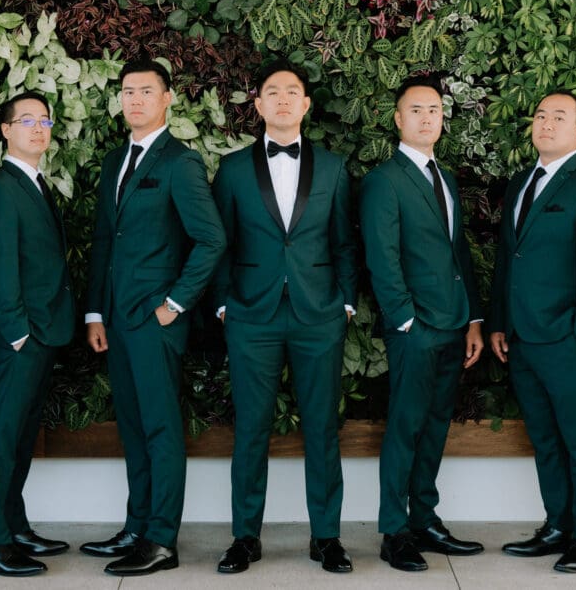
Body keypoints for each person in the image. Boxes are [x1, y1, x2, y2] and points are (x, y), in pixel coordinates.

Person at [80, 58, 226, 576]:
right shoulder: (114, 162)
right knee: (133, 426)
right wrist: (95, 311)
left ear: (167, 99)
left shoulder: (180, 162)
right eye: (127, 91)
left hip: (155, 319)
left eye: (146, 91)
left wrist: (175, 304)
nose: (135, 99)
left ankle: (161, 539)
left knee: (161, 428)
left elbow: (211, 239)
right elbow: (105, 240)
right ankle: (136, 527)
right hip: (117, 320)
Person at [211, 59, 357, 574]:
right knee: (251, 428)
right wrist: (224, 303)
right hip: (251, 315)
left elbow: (344, 242)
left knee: (322, 428)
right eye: (272, 92)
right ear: (257, 104)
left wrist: (345, 302)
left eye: (292, 92)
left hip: (319, 314)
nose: (282, 99)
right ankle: (245, 537)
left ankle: (327, 537)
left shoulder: (334, 168)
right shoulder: (232, 169)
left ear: (306, 104)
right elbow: (220, 242)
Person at [490, 91, 576, 573]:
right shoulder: (521, 182)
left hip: (568, 338)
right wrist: (499, 321)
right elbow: (509, 258)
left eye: (559, 117)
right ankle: (558, 526)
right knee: (545, 439)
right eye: (541, 115)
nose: (546, 123)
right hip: (521, 337)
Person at [359, 74, 484, 572]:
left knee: (434, 426)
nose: (427, 117)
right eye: (416, 110)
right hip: (415, 327)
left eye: (434, 110)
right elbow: (382, 257)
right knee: (406, 426)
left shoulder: (445, 177)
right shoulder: (383, 180)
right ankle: (394, 531)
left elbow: (458, 254)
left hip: (453, 323)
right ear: (398, 119)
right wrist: (405, 319)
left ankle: (425, 520)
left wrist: (473, 319)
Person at [0, 92, 75, 576]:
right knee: (4, 436)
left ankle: (13, 527)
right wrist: (16, 333)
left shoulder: (34, 183)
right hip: (23, 335)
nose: (38, 128)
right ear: (6, 130)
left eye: (45, 121)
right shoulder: (1, 187)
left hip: (43, 331)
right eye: (27, 120)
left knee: (22, 435)